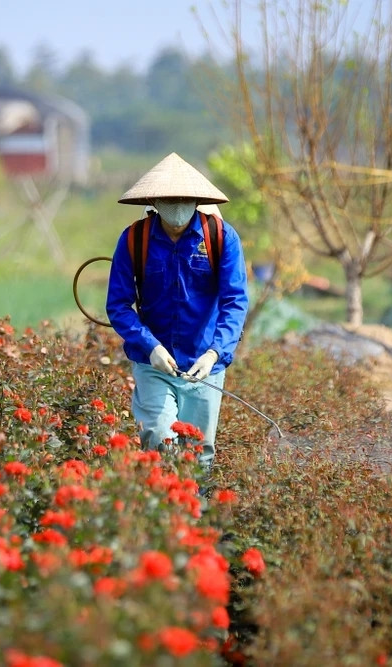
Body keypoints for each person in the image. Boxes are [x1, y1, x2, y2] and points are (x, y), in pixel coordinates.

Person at [106, 152, 248, 473]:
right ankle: (164, 515)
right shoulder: (135, 239)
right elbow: (118, 305)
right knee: (158, 439)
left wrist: (215, 353)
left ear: (197, 200)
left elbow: (235, 301)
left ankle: (195, 515)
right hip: (154, 363)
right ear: (154, 200)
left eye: (185, 198)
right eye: (169, 199)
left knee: (199, 453)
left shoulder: (222, 238)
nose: (178, 205)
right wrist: (150, 346)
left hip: (204, 364)